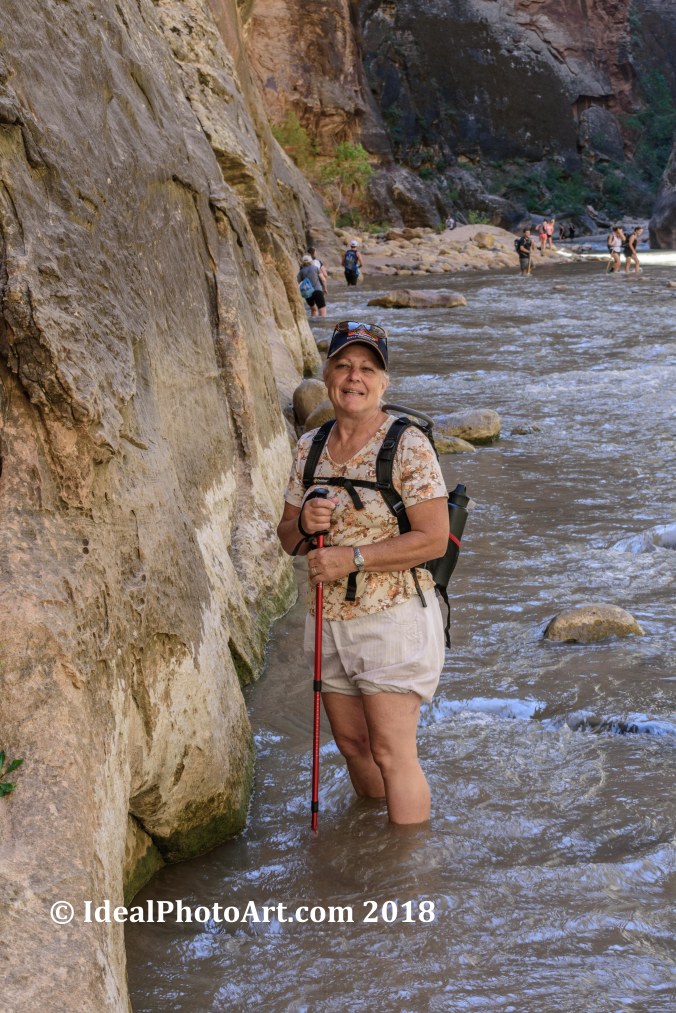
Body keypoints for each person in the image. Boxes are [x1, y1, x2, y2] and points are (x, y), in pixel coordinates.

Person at [277, 322, 449, 824]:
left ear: (384, 382)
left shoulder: (407, 444)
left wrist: (352, 558)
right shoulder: (309, 446)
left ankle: (405, 878)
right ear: (328, 374)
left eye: (367, 369)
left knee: (393, 753)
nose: (355, 377)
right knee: (353, 747)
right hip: (328, 619)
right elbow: (287, 538)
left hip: (392, 618)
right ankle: (373, 852)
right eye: (344, 366)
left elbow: (433, 539)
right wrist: (303, 524)